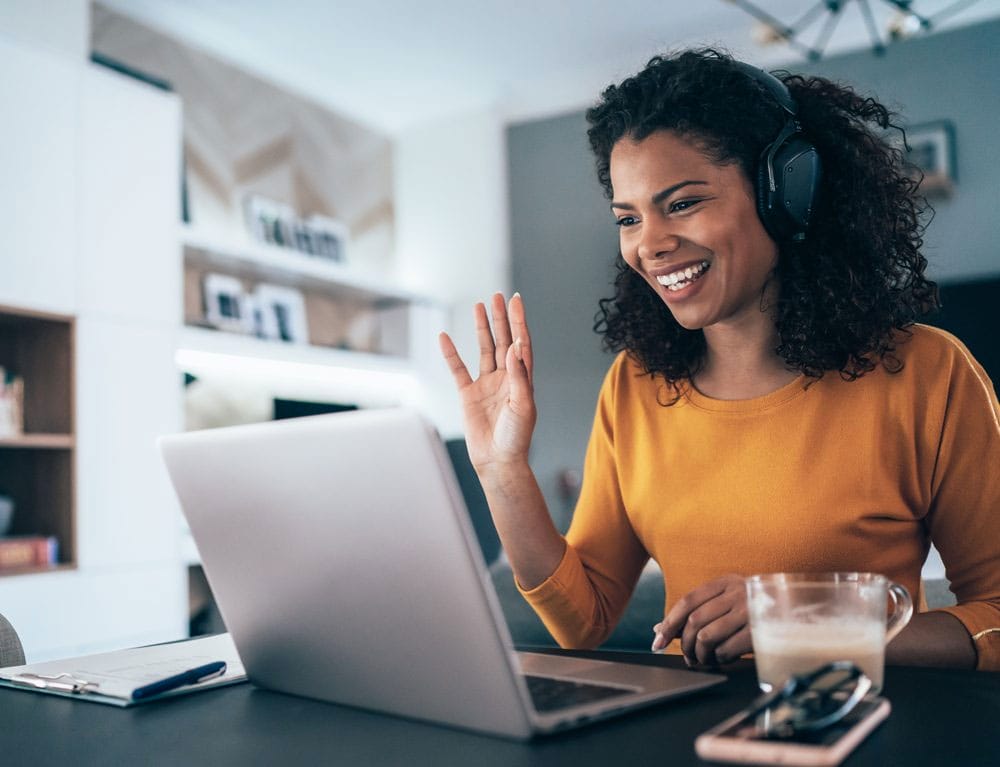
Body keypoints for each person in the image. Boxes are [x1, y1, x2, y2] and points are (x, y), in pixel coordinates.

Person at [438, 49, 1000, 672]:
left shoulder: (928, 374)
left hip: (857, 730)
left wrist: (810, 628)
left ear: (786, 192)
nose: (649, 244)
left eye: (681, 204)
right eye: (629, 217)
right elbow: (583, 621)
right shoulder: (635, 386)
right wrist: (501, 469)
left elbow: (996, 616)